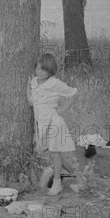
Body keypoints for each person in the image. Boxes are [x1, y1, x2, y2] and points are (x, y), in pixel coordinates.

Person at [27, 53, 79, 196]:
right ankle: (78, 175)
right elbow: (31, 102)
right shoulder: (34, 82)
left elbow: (74, 93)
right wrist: (27, 88)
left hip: (53, 122)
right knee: (51, 153)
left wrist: (62, 110)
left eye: (44, 70)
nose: (40, 72)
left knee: (55, 153)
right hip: (42, 123)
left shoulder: (55, 83)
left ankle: (57, 184)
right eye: (38, 69)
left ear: (50, 71)